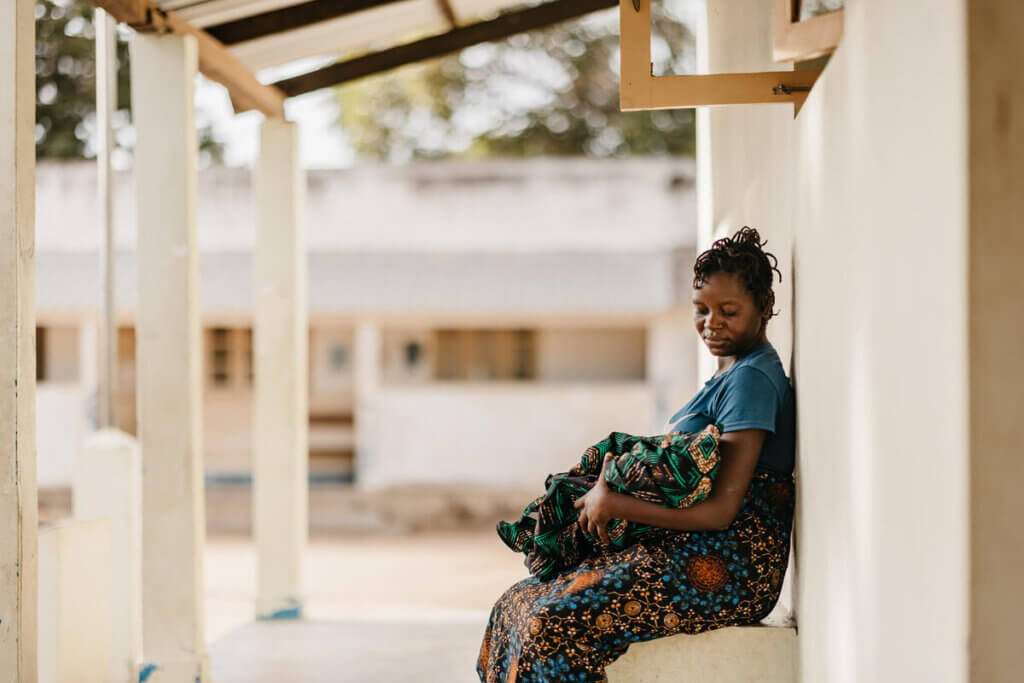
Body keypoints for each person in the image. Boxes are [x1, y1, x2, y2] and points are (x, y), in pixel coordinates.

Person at [476, 227, 796, 683]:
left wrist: (616, 505)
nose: (712, 323)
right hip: (689, 551)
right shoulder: (732, 374)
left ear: (763, 307)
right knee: (519, 602)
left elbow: (723, 512)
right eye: (701, 310)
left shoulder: (752, 380)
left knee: (551, 623)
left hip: (727, 567)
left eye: (729, 311)